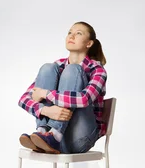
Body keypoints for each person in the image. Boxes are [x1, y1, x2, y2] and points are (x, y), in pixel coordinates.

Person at [17, 21, 107, 154]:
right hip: (45, 140)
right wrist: (45, 111)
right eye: (69, 32)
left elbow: (84, 99)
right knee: (47, 68)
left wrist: (46, 94)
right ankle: (43, 131)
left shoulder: (97, 70)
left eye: (78, 33)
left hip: (79, 137)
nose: (71, 36)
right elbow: (23, 99)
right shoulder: (57, 66)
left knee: (73, 70)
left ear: (89, 43)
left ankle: (55, 134)